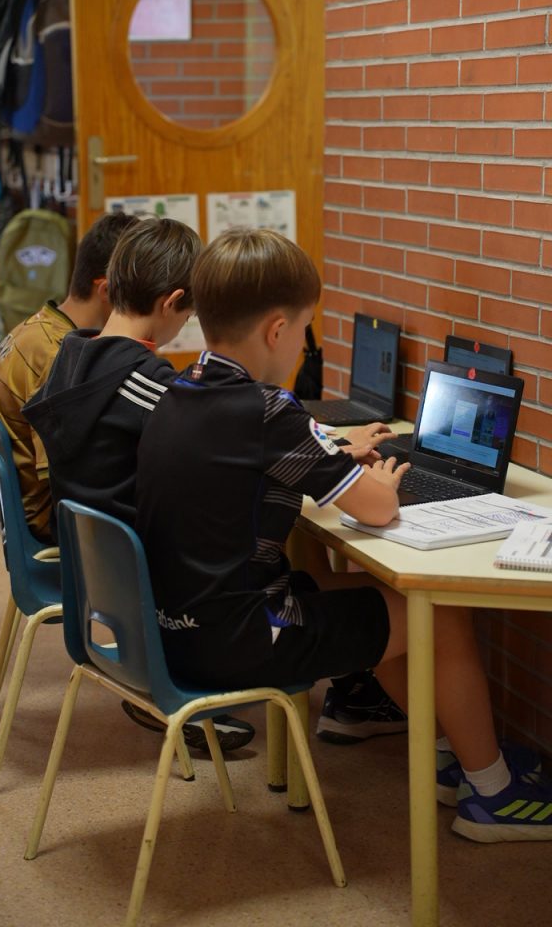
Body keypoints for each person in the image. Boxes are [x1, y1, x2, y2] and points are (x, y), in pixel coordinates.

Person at [134, 227, 552, 843]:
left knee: (360, 590)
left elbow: (250, 464)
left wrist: (324, 455)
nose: (302, 341)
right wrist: (379, 479)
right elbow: (377, 509)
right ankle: (494, 794)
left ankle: (452, 756)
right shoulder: (268, 409)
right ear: (277, 330)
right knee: (437, 615)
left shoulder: (180, 390)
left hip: (176, 628)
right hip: (238, 639)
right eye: (305, 327)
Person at [22, 216, 254, 753]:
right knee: (263, 515)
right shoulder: (147, 383)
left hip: (104, 577)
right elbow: (218, 447)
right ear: (171, 303)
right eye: (189, 313)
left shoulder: (71, 355)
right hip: (158, 583)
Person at [0, 211, 138, 542]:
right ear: (107, 290)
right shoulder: (58, 356)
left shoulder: (37, 328)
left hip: (11, 506)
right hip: (45, 521)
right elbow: (68, 479)